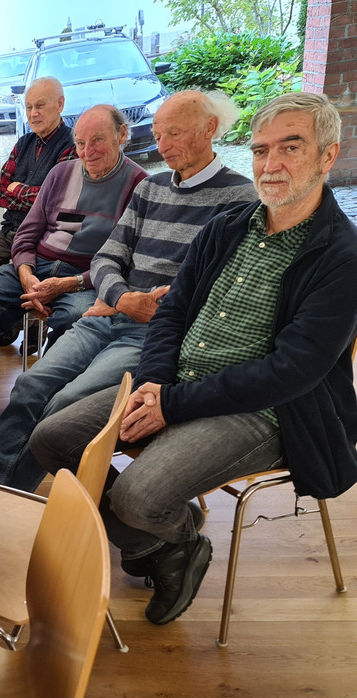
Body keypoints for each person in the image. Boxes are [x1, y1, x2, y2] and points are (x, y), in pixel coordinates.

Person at [30, 93, 357, 626]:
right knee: (53, 438)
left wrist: (171, 404)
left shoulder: (342, 256)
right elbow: (173, 311)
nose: (270, 164)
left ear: (327, 156)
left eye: (291, 147)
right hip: (180, 382)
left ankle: (162, 535)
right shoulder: (229, 226)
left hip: (267, 410)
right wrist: (154, 382)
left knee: (137, 496)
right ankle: (168, 545)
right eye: (261, 150)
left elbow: (292, 372)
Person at [0, 91, 257, 491]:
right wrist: (120, 298)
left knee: (65, 401)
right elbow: (107, 256)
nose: (162, 145)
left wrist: (138, 303)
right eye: (158, 134)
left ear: (210, 128)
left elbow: (217, 285)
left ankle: (7, 495)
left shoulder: (240, 198)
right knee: (29, 386)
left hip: (154, 331)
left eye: (174, 133)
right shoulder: (152, 188)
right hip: (108, 314)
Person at [0, 105, 148, 419]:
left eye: (97, 140)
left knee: (74, 320)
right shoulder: (60, 174)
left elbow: (128, 260)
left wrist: (68, 284)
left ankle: (45, 409)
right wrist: (26, 274)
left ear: (122, 135)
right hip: (37, 265)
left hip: (86, 277)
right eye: (81, 143)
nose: (87, 151)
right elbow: (27, 232)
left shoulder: (139, 185)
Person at [0, 77, 76, 283]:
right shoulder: (24, 143)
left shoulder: (72, 146)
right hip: (9, 233)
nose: (33, 114)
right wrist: (36, 197)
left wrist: (16, 189)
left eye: (40, 106)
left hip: (42, 239)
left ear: (60, 104)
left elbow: (56, 203)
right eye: (29, 107)